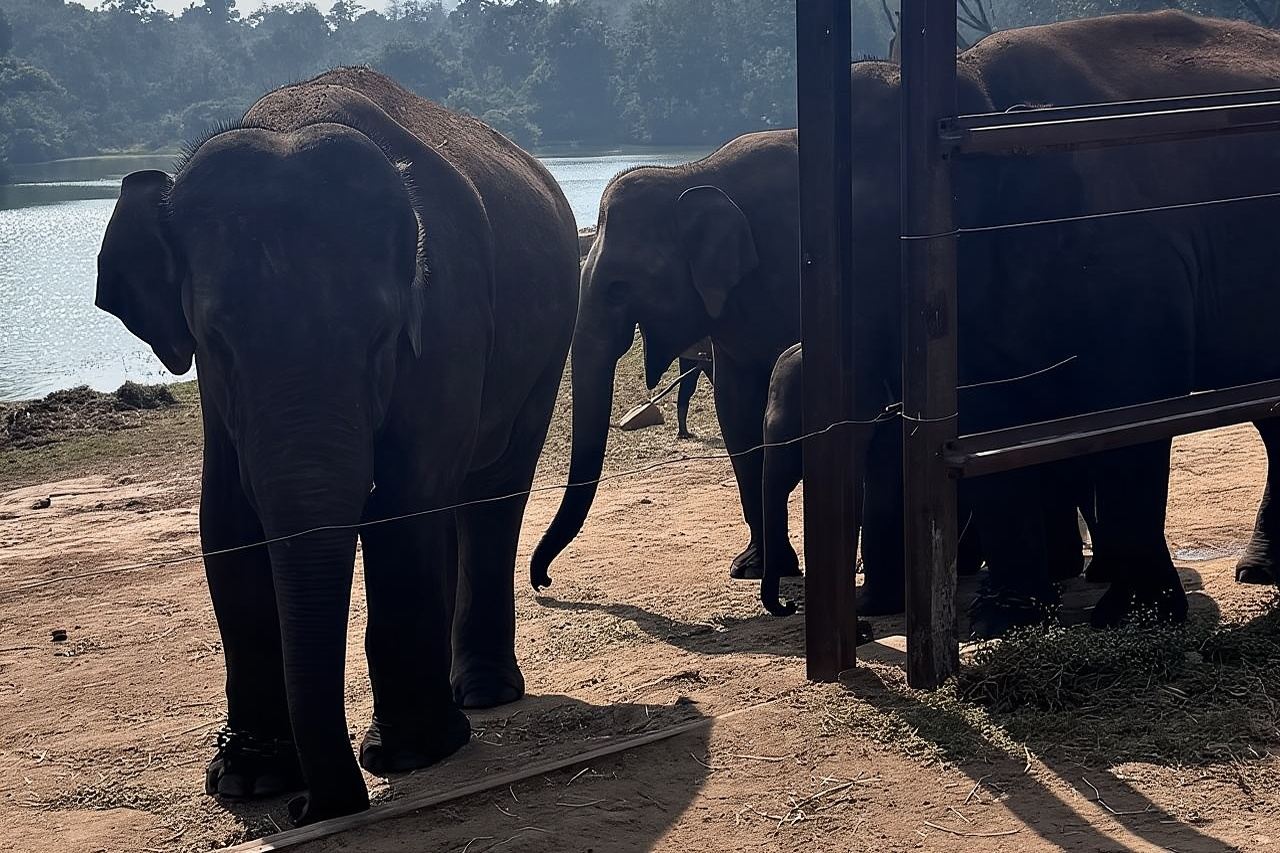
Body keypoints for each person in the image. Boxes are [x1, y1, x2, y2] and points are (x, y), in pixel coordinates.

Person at [676, 338, 713, 439]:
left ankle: (682, 430)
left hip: (696, 352)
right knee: (686, 389)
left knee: (721, 387)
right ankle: (682, 430)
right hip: (693, 354)